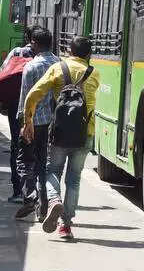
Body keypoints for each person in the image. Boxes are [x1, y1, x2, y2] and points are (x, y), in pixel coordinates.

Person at [22, 36, 99, 240]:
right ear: (89, 55)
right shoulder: (94, 74)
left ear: (69, 51)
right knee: (74, 179)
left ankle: (54, 200)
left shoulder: (58, 69)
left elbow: (33, 95)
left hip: (59, 133)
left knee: (52, 171)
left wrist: (28, 121)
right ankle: (66, 225)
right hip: (85, 134)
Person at [13, 27, 58, 221]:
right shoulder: (60, 65)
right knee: (43, 165)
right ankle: (44, 205)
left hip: (33, 123)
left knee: (23, 161)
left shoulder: (31, 66)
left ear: (34, 43)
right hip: (52, 123)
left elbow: (25, 97)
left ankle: (30, 197)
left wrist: (23, 124)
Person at [0, 26, 39, 202]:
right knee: (38, 150)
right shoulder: (50, 59)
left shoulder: (17, 52)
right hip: (40, 110)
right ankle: (36, 191)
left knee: (17, 147)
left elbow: (1, 75)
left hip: (17, 108)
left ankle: (18, 190)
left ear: (27, 37)